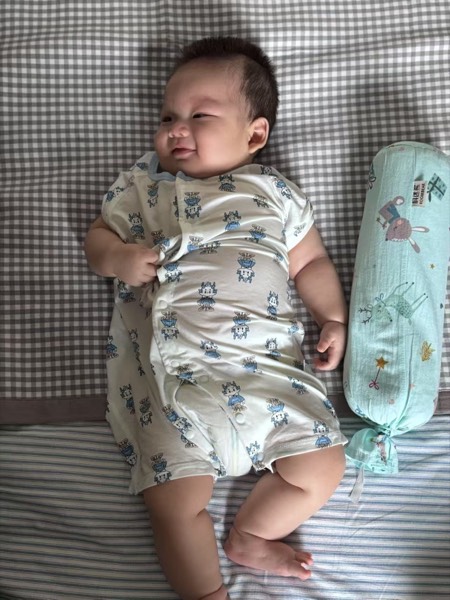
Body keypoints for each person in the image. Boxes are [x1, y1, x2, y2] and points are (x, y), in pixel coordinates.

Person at [85, 36, 348, 600]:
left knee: (324, 463)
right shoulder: (145, 190)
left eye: (199, 116)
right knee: (172, 502)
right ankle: (206, 592)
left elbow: (311, 262)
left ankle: (253, 534)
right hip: (171, 384)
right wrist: (120, 258)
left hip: (266, 374)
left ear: (255, 134)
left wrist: (332, 317)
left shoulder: (274, 193)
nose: (176, 129)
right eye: (167, 117)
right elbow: (97, 239)